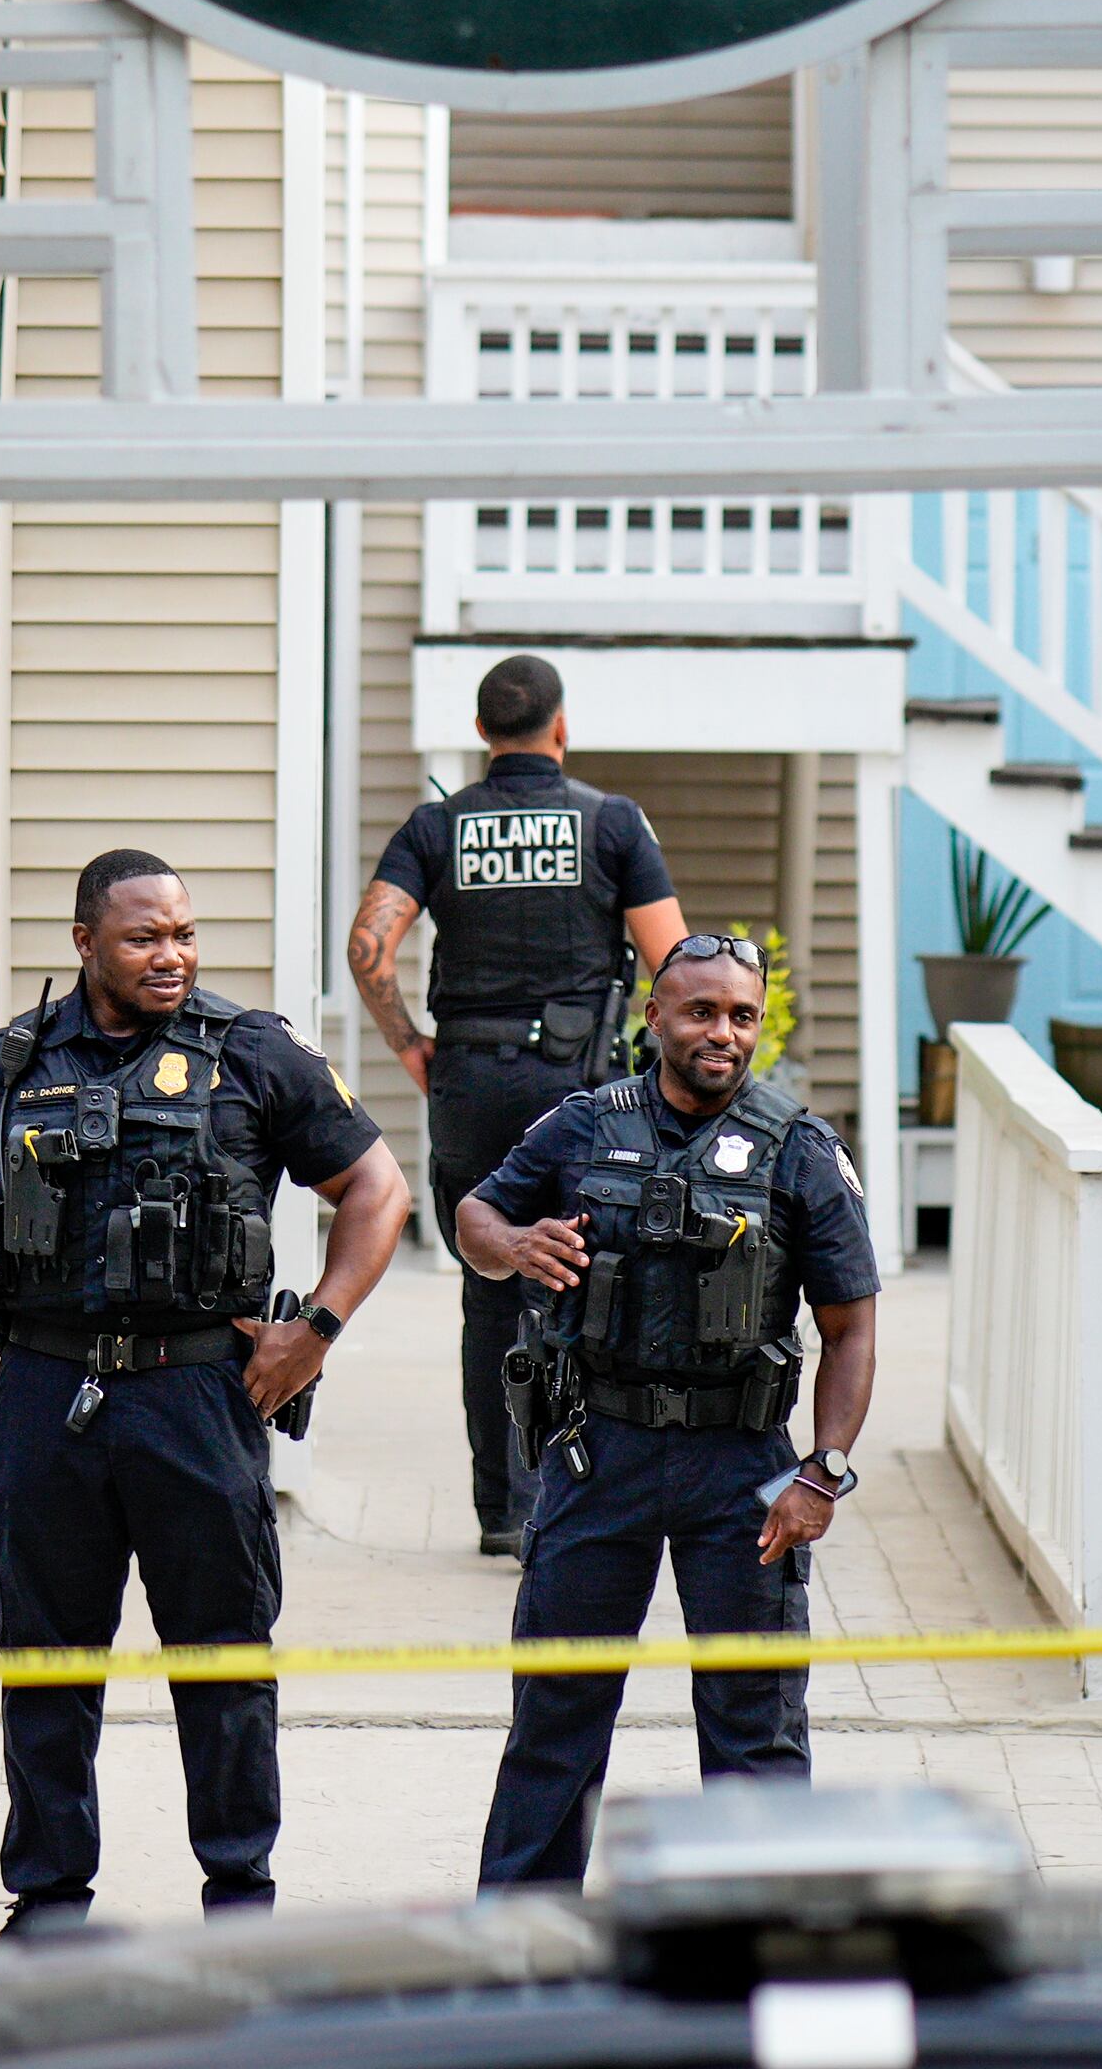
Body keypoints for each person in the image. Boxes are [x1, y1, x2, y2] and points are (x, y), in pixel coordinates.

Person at [0, 849, 409, 1931]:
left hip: (196, 1396)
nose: (171, 955)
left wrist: (314, 1330)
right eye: (144, 938)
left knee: (224, 1658)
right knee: (43, 1661)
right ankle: (47, 1904)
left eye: (183, 934)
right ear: (85, 944)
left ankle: (240, 1899)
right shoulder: (5, 1066)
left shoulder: (253, 1054)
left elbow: (377, 1186)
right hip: (45, 1390)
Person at [455, 932, 880, 1888]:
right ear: (655, 1018)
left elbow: (851, 1326)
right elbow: (473, 1218)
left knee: (756, 1725)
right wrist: (517, 1244)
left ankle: (760, 1944)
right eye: (699, 1012)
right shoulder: (581, 1126)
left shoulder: (801, 1151)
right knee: (556, 1716)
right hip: (595, 1452)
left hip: (742, 1469)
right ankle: (526, 1943)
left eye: (740, 1015)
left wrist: (824, 1471)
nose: (720, 1033)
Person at [348, 653, 686, 1556]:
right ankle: (566, 1500)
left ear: (481, 733)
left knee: (489, 1282)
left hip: (469, 1081)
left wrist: (410, 1045)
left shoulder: (438, 826)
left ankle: (499, 1508)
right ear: (562, 727)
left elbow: (368, 948)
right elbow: (677, 965)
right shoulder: (613, 824)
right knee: (586, 1279)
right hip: (580, 1090)